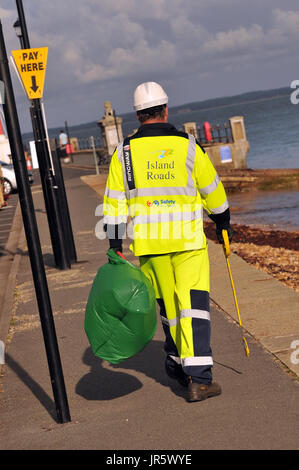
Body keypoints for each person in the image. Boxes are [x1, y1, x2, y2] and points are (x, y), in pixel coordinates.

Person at [103, 82, 233, 402]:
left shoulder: (125, 153)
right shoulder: (188, 146)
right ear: (164, 110)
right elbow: (212, 191)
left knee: (170, 308)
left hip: (150, 244)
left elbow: (114, 205)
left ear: (137, 115)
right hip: (188, 240)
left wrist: (114, 245)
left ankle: (177, 363)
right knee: (193, 307)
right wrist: (222, 221)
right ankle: (199, 378)